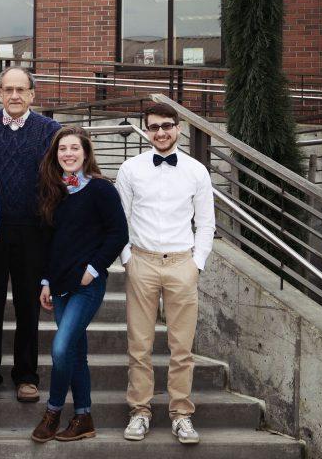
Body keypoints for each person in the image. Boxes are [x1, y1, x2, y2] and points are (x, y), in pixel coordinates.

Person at [116, 103, 215, 445]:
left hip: (181, 263)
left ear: (179, 127)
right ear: (145, 129)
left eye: (167, 126)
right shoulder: (130, 169)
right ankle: (140, 412)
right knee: (139, 345)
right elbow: (120, 220)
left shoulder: (197, 171)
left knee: (181, 347)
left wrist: (196, 262)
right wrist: (128, 259)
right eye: (154, 126)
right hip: (141, 261)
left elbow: (206, 223)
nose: (161, 132)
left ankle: (181, 414)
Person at [31, 126, 128, 443]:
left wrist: (93, 268)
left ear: (86, 153)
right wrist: (45, 281)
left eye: (74, 148)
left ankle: (53, 410)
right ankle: (84, 416)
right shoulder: (54, 190)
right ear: (55, 155)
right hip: (58, 285)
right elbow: (47, 241)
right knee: (75, 354)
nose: (68, 154)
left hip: (86, 285)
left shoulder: (101, 189)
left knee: (60, 350)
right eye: (62, 149)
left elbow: (118, 234)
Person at [0, 66, 60, 403]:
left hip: (33, 231)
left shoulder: (50, 131)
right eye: (8, 89)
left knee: (27, 306)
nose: (15, 96)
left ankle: (26, 375)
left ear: (32, 95)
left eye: (21, 90)